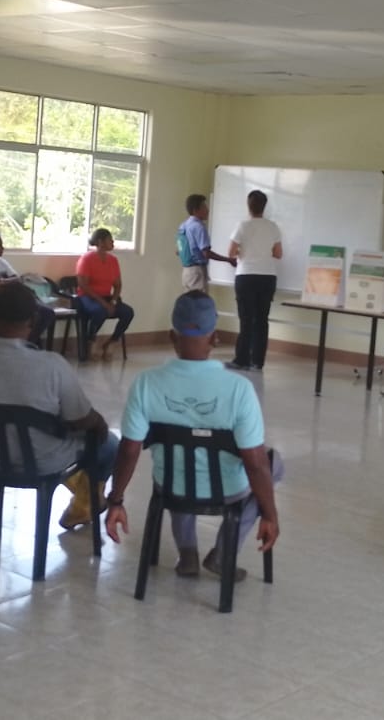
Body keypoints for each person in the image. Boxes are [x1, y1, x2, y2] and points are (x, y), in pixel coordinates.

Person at [105, 291, 281, 580]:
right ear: (215, 339)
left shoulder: (146, 383)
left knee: (178, 464)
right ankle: (224, 552)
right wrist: (270, 515)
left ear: (172, 337)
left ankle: (187, 552)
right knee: (273, 465)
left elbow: (129, 450)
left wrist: (116, 500)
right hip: (228, 491)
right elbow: (255, 463)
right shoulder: (239, 389)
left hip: (172, 487)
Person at [0, 282, 120, 530]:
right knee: (109, 444)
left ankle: (83, 497)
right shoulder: (51, 365)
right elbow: (81, 418)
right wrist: (100, 424)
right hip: (44, 463)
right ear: (34, 320)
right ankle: (84, 505)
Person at [0, 229, 54, 345]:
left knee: (46, 312)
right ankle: (25, 344)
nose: (2, 248)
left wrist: (2, 281)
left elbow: (18, 279)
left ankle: (27, 343)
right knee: (34, 313)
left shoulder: (1, 261)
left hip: (14, 298)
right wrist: (9, 282)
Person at [228, 190, 282, 372]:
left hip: (246, 275)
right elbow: (278, 253)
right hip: (267, 276)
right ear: (264, 206)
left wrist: (243, 252)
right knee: (262, 320)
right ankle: (258, 361)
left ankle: (241, 360)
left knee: (246, 319)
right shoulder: (273, 227)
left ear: (248, 206)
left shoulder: (242, 226)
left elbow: (231, 252)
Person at [74, 228, 133, 362]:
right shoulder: (86, 259)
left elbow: (118, 285)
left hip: (107, 297)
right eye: (109, 240)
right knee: (100, 311)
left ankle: (112, 342)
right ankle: (90, 340)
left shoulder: (113, 260)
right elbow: (83, 285)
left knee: (128, 312)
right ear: (100, 242)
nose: (113, 242)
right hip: (87, 297)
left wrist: (112, 301)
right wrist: (104, 303)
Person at [177, 194, 234, 293]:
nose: (208, 210)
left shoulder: (183, 226)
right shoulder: (198, 227)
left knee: (189, 301)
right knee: (200, 301)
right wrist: (228, 260)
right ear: (195, 210)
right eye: (204, 206)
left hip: (186, 273)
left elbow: (178, 251)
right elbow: (206, 253)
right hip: (197, 272)